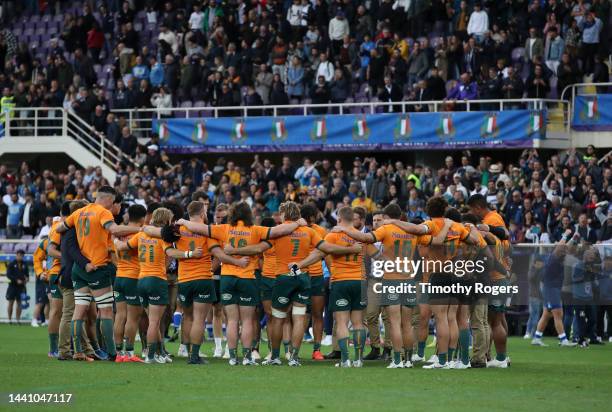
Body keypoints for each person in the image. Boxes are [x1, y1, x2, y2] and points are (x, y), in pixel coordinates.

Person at [225, 202, 359, 366]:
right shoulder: (309, 232)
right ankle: (294, 357)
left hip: (283, 278)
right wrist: (351, 249)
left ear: (283, 214)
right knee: (299, 318)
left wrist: (234, 251)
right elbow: (327, 248)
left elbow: (257, 249)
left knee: (278, 319)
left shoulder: (278, 233)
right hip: (302, 276)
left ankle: (275, 356)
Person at [174, 202, 308, 365]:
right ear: (249, 215)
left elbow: (199, 228)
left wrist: (184, 221)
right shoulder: (256, 230)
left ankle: (231, 357)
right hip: (247, 277)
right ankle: (246, 357)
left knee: (231, 320)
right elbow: (281, 230)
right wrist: (297, 223)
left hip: (227, 278)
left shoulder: (224, 229)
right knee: (247, 321)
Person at [335, 204, 452, 368]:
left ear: (387, 217)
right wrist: (446, 225)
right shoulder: (413, 231)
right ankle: (409, 360)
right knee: (408, 324)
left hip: (391, 280)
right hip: (409, 280)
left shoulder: (386, 229)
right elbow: (439, 240)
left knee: (395, 323)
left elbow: (367, 239)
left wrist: (343, 228)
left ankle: (397, 360)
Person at [56, 186, 141, 362]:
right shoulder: (103, 212)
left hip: (78, 270)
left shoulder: (80, 212)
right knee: (106, 311)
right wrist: (140, 230)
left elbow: (60, 228)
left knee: (79, 311)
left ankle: (78, 351)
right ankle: (112, 353)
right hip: (97, 268)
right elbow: (115, 230)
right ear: (109, 199)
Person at [174, 201, 249, 364]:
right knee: (199, 318)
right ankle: (194, 356)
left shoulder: (178, 230)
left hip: (183, 279)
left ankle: (186, 351)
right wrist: (237, 262)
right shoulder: (208, 232)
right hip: (202, 278)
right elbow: (219, 255)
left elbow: (168, 248)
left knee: (187, 317)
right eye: (206, 211)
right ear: (202, 214)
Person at [531, 230, 579, 347]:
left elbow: (565, 248)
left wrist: (573, 238)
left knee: (546, 314)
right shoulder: (554, 257)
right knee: (558, 314)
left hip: (551, 289)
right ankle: (563, 340)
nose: (565, 250)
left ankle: (537, 338)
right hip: (551, 290)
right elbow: (561, 247)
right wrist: (566, 234)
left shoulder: (557, 257)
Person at [113, 204, 147, 363]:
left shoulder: (120, 232)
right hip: (133, 278)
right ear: (142, 218)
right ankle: (130, 352)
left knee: (120, 316)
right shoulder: (141, 233)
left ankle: (118, 353)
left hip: (119, 276)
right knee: (134, 317)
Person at [6, 249, 29, 324]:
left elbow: (27, 274)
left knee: (19, 303)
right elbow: (8, 275)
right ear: (16, 255)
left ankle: (18, 320)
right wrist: (16, 280)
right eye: (19, 255)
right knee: (11, 302)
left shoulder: (25, 264)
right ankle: (9, 320)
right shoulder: (11, 264)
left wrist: (27, 278)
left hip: (21, 287)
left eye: (22, 255)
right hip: (12, 286)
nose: (20, 257)